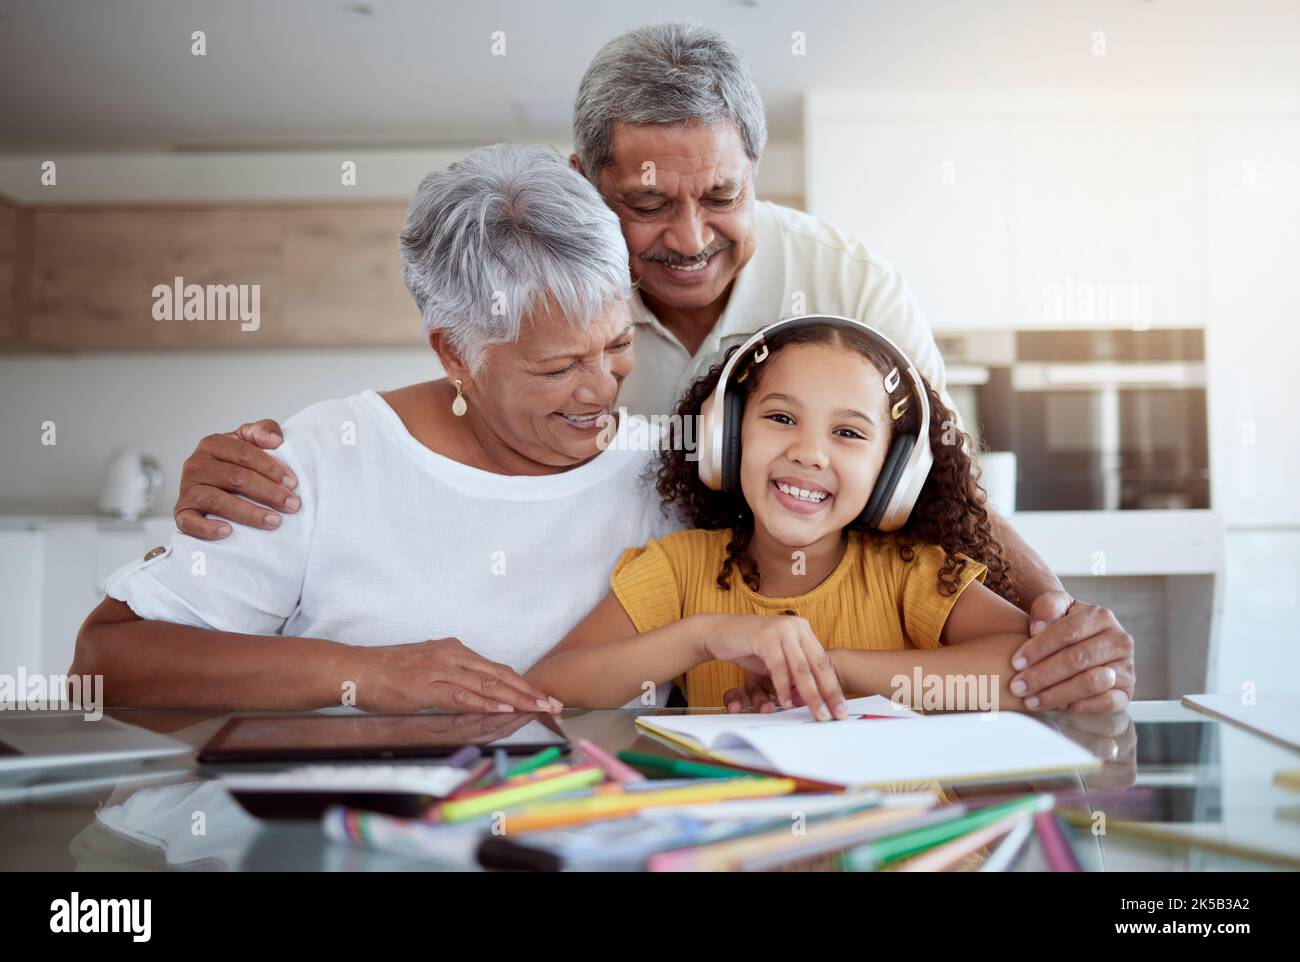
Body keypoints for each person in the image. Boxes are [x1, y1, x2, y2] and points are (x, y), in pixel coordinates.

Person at [167, 24, 1134, 715]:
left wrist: (1057, 624)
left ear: (758, 173)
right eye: (647, 202)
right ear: (585, 185)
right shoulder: (561, 276)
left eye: (722, 195)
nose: (689, 236)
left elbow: (938, 476)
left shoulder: (846, 280)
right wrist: (301, 455)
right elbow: (484, 398)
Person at [70, 143, 674, 712]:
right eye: (560, 365)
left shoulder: (670, 472)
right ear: (457, 354)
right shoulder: (324, 458)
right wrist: (362, 673)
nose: (602, 386)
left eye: (619, 343)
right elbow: (104, 664)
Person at [526, 318, 1040, 717]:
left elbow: (1028, 664)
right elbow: (554, 685)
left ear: (894, 473)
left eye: (849, 433)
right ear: (725, 437)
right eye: (781, 418)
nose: (809, 453)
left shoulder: (910, 572)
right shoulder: (679, 569)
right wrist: (704, 637)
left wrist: (833, 670)